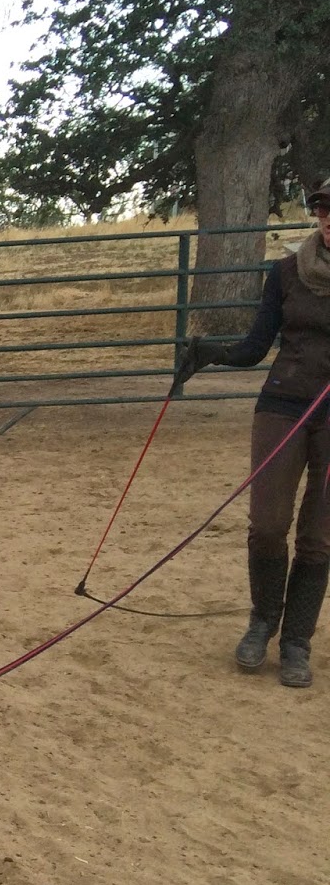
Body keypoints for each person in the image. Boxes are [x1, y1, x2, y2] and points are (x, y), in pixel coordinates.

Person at [175, 181, 330, 687]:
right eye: (323, 210)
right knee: (267, 524)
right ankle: (262, 622)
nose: (329, 219)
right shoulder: (285, 273)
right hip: (282, 406)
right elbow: (256, 345)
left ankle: (296, 642)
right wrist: (213, 353)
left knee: (318, 536)